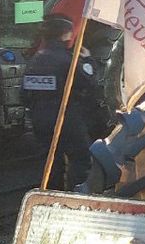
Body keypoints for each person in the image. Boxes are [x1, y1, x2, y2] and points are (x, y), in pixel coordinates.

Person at [23, 15, 102, 190]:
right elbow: (89, 82)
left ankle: (52, 195)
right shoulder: (68, 60)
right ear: (66, 34)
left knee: (51, 162)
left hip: (39, 119)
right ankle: (78, 195)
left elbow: (24, 94)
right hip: (66, 117)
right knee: (81, 159)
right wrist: (88, 60)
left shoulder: (33, 61)